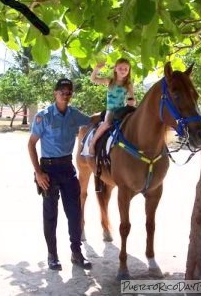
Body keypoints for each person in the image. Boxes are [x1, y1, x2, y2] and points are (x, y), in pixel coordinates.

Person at [28, 78, 94, 271]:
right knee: (51, 215)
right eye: (62, 92)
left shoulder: (74, 115)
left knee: (75, 213)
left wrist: (113, 112)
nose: (65, 95)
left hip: (67, 168)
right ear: (55, 93)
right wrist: (38, 173)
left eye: (69, 92)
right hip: (48, 171)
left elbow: (92, 120)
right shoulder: (44, 116)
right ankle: (53, 255)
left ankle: (76, 252)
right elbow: (31, 144)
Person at [88, 58, 136, 156]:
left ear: (129, 71)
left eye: (126, 69)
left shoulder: (128, 84)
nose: (123, 71)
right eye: (120, 68)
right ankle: (92, 142)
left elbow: (132, 97)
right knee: (107, 123)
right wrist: (97, 69)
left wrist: (132, 102)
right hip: (111, 110)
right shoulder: (110, 81)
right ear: (115, 69)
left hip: (122, 110)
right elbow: (93, 79)